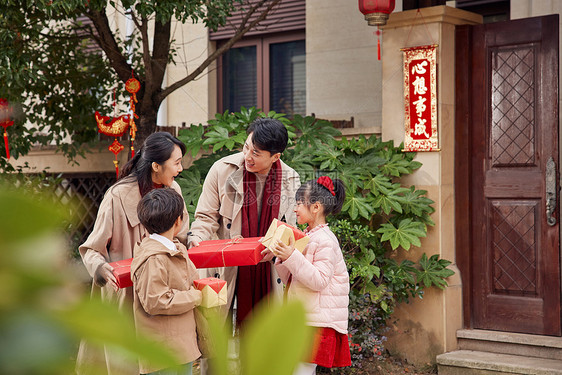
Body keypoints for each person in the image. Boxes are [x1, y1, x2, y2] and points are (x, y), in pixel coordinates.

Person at [76, 132, 189, 375]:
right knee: (124, 364)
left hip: (162, 291)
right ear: (156, 166)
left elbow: (181, 235)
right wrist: (99, 268)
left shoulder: (175, 189)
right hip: (123, 294)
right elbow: (92, 248)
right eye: (177, 163)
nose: (181, 168)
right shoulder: (117, 195)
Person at [188, 117, 301, 326]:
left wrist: (275, 248)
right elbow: (206, 217)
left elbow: (290, 229)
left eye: (256, 153)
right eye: (246, 147)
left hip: (266, 269)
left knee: (264, 336)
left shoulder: (291, 179)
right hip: (224, 265)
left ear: (275, 156)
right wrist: (196, 238)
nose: (248, 156)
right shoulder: (222, 170)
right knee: (214, 337)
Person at [269, 176, 351, 375]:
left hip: (316, 321)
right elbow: (295, 276)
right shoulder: (310, 235)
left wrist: (291, 255)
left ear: (315, 207)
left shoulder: (325, 240)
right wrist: (281, 256)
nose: (295, 209)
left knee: (301, 370)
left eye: (299, 204)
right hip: (307, 317)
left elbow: (319, 280)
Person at [131, 188, 202, 375]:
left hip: (179, 347)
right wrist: (196, 296)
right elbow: (156, 301)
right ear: (178, 221)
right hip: (164, 353)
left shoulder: (173, 247)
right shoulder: (154, 257)